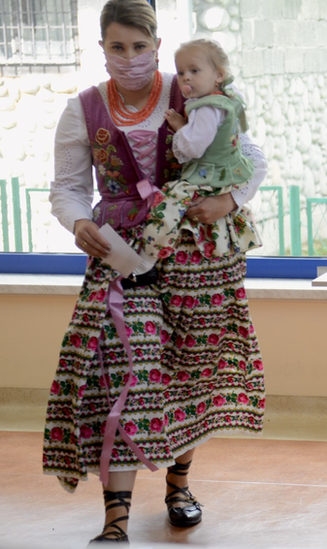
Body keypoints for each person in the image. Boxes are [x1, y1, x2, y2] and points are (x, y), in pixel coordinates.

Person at [42, 0, 267, 544]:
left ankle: (179, 486)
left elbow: (248, 151)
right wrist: (76, 222)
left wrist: (231, 201)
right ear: (102, 49)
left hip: (195, 247)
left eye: (139, 46)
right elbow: (67, 187)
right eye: (117, 47)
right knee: (120, 367)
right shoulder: (84, 109)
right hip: (122, 254)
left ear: (157, 47)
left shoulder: (192, 86)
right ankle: (115, 517)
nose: (130, 57)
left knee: (190, 368)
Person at [130, 38, 261, 279]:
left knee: (166, 207)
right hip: (228, 172)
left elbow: (193, 147)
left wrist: (180, 129)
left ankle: (144, 261)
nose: (186, 78)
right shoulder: (225, 100)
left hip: (207, 175)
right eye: (181, 73)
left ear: (218, 74)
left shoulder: (206, 108)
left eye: (194, 71)